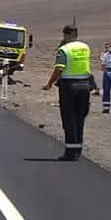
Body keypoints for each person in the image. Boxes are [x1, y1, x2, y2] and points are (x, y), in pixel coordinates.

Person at [44, 23, 94, 160]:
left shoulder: (64, 50)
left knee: (69, 119)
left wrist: (49, 83)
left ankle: (70, 152)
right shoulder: (85, 47)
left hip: (69, 86)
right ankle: (78, 150)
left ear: (66, 34)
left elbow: (59, 69)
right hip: (85, 85)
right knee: (80, 119)